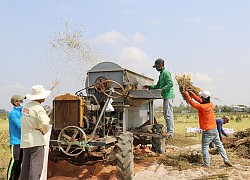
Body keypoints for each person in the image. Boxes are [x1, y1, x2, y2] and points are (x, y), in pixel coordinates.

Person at [184, 90, 232, 167]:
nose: (200, 98)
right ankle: (226, 159)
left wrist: (187, 95)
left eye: (201, 97)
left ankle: (207, 164)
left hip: (207, 131)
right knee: (219, 145)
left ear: (204, 98)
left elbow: (192, 103)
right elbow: (200, 100)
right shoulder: (210, 104)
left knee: (205, 147)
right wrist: (193, 95)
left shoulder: (202, 107)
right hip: (214, 129)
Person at [20, 85, 51, 180]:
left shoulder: (26, 107)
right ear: (40, 97)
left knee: (25, 167)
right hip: (36, 141)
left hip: (26, 141)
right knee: (35, 168)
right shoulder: (38, 108)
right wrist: (44, 130)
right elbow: (45, 122)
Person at [143, 58, 174, 137]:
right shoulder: (161, 74)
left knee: (168, 114)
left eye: (156, 66)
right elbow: (157, 86)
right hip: (165, 96)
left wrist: (162, 89)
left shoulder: (166, 73)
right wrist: (149, 86)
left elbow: (170, 84)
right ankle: (169, 131)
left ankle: (170, 132)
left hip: (168, 96)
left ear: (160, 65)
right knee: (166, 114)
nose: (156, 68)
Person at [7, 95, 26, 180]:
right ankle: (9, 178)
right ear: (15, 102)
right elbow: (21, 126)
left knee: (20, 162)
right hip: (15, 142)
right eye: (20, 101)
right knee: (15, 161)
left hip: (22, 141)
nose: (22, 102)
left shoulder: (22, 111)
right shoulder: (13, 113)